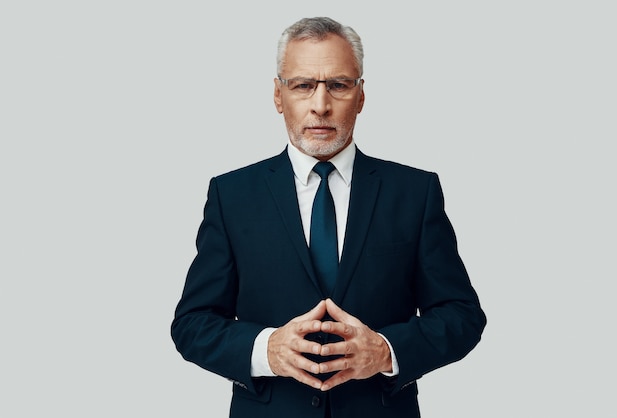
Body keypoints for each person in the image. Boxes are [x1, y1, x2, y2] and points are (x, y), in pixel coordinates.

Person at [171, 16, 486, 418]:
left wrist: (386, 352)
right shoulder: (231, 195)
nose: (320, 104)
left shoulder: (414, 192)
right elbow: (192, 324)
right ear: (278, 95)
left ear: (361, 96)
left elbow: (462, 315)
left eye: (337, 85)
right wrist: (265, 350)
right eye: (303, 85)